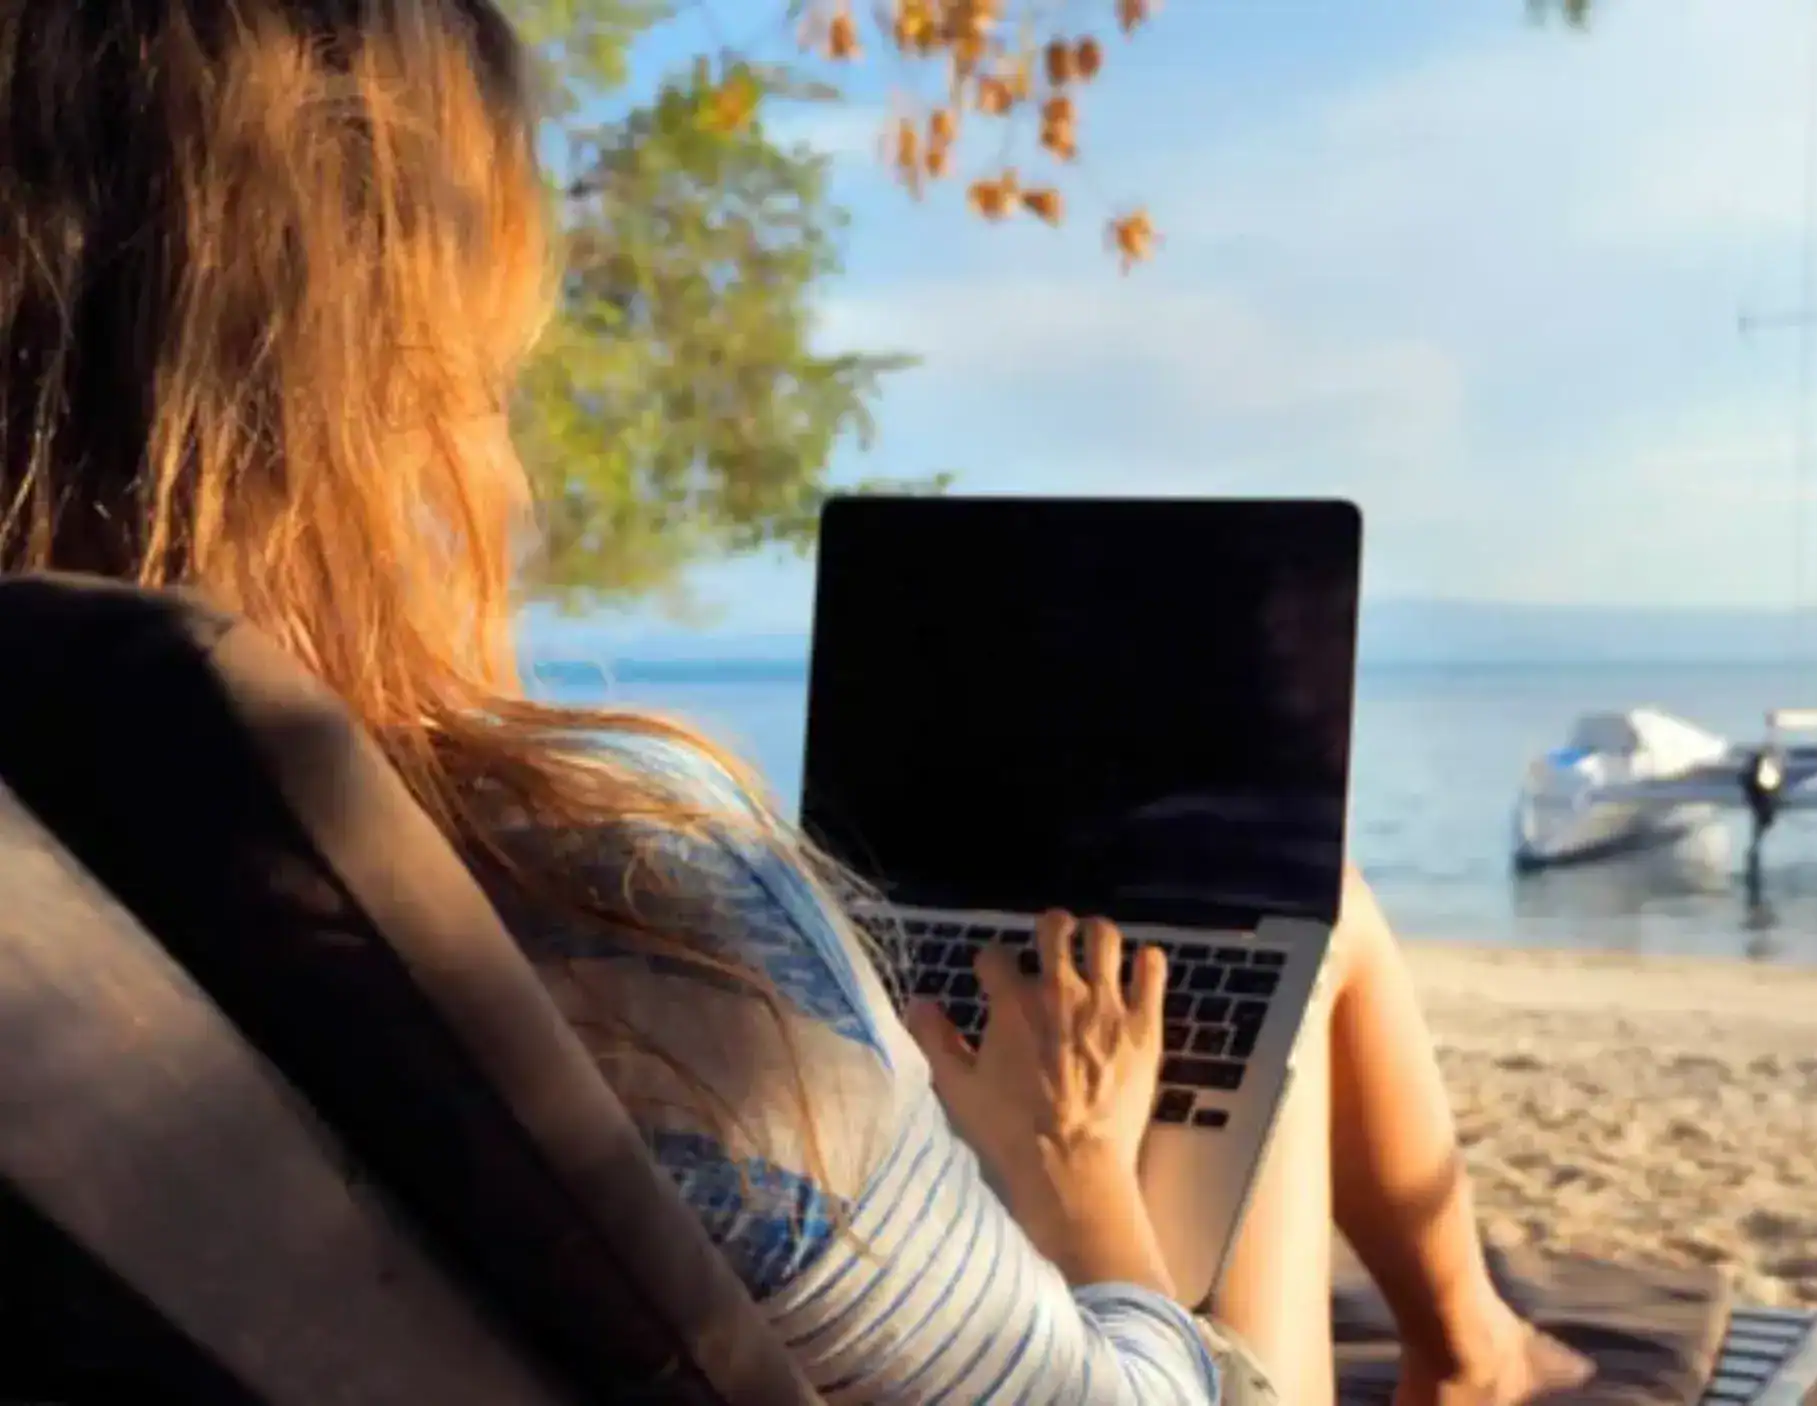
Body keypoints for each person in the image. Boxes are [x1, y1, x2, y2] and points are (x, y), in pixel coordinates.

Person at [0, 2, 1595, 1403]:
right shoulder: (653, 936)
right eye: (491, 377)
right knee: (1315, 938)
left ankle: (1468, 1344)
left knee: (1301, 930)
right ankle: (1472, 1349)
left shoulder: (84, 850)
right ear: (389, 402)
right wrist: (1076, 1174)